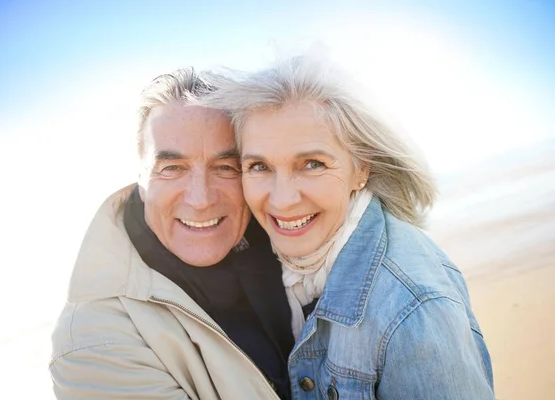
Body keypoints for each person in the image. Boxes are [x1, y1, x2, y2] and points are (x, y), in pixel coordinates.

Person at [200, 56, 495, 399]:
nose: (282, 200)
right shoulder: (273, 262)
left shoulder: (413, 312)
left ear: (361, 168)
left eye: (312, 164)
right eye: (259, 166)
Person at [49, 68, 294, 399]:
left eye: (225, 167)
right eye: (172, 169)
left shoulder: (294, 252)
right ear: (140, 177)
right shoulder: (95, 338)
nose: (201, 198)